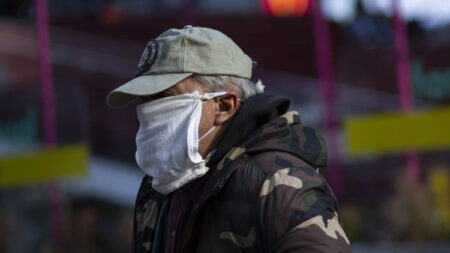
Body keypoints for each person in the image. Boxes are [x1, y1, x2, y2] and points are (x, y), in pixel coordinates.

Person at [106, 26, 350, 253]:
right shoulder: (159, 185)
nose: (149, 110)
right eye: (144, 99)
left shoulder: (278, 182)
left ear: (224, 105)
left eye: (164, 96)